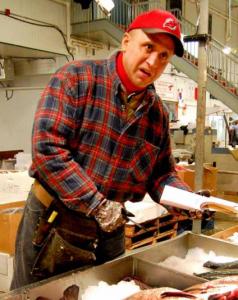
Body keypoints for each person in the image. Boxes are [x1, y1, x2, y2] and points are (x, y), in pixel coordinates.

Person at [10, 9, 213, 290]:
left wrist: (187, 201)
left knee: (104, 294)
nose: (153, 61)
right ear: (127, 41)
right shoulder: (77, 78)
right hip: (54, 222)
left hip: (111, 230)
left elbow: (160, 174)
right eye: (148, 47)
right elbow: (48, 151)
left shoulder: (157, 114)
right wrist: (97, 205)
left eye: (164, 56)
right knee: (38, 296)